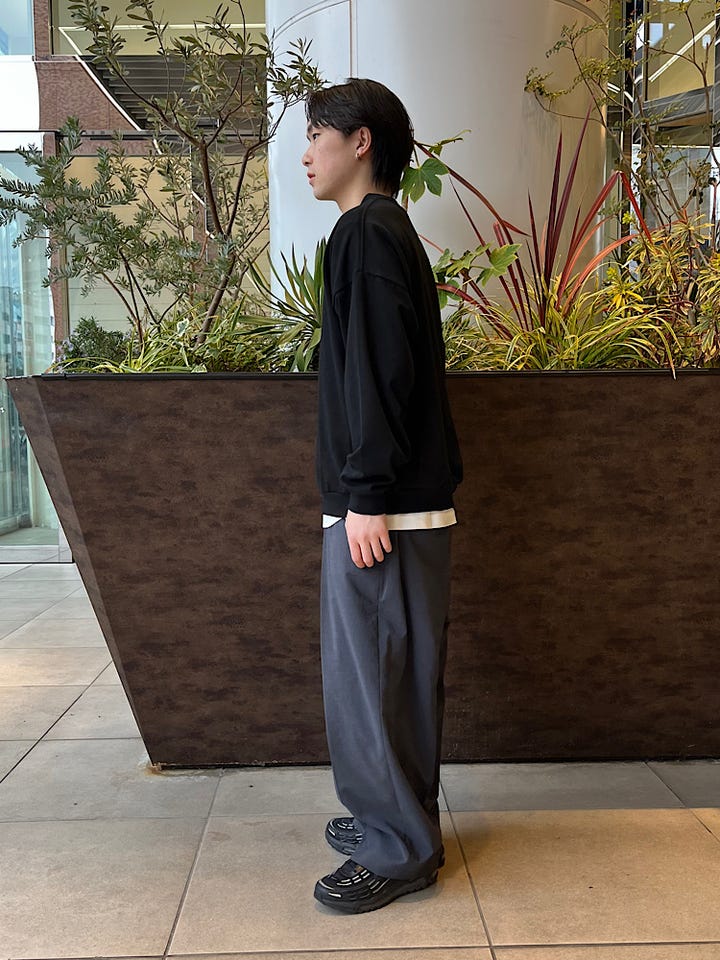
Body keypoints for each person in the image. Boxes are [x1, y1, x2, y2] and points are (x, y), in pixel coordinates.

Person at [302, 78, 463, 914]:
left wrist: (365, 496)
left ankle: (398, 847)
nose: (306, 154)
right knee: (387, 678)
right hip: (392, 500)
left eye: (316, 135)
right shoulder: (382, 230)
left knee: (375, 682)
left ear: (360, 141)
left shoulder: (365, 233)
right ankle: (395, 820)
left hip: (384, 508)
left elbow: (379, 373)